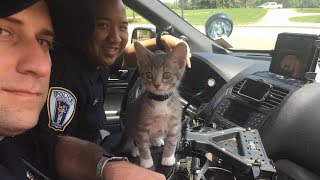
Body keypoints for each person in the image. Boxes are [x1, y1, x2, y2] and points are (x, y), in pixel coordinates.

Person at [0, 0, 166, 179]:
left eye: (44, 41)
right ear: (83, 34)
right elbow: (50, 143)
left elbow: (48, 147)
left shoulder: (98, 61)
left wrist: (107, 167)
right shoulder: (68, 72)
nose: (41, 67)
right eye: (3, 32)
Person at [39, 0, 190, 143]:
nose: (115, 38)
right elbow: (56, 145)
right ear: (82, 27)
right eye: (103, 25)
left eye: (123, 27)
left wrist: (161, 40)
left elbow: (126, 54)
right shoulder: (67, 76)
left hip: (97, 140)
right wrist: (108, 163)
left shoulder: (97, 59)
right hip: (80, 158)